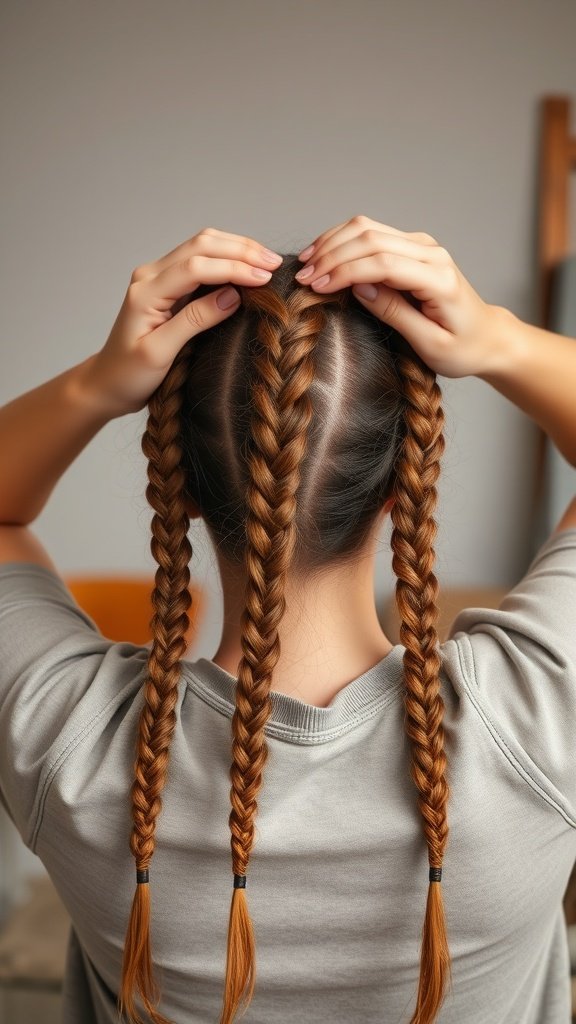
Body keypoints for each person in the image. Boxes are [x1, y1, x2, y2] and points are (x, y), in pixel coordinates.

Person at [0, 214, 575, 1024]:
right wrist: (497, 340)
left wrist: (97, 383)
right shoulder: (539, 715)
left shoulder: (72, 742)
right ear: (403, 484)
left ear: (182, 486)